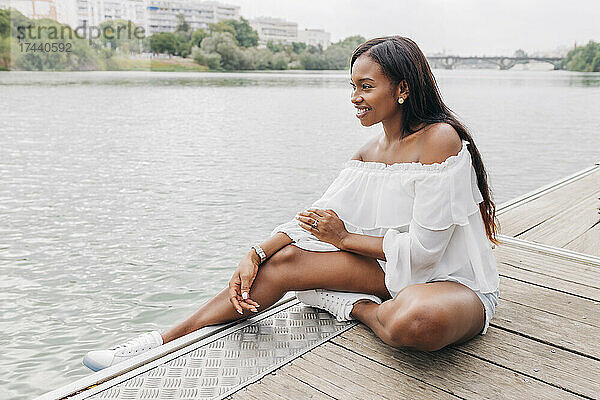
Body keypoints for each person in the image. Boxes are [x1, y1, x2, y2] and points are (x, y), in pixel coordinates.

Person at [83, 36, 500, 372]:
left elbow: (426, 256)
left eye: (366, 86)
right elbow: (313, 216)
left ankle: (355, 308)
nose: (354, 96)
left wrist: (344, 237)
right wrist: (256, 252)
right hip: (394, 272)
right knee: (282, 264)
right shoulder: (368, 152)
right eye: (352, 86)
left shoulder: (439, 138)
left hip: (450, 281)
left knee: (414, 323)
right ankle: (156, 344)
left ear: (403, 89)